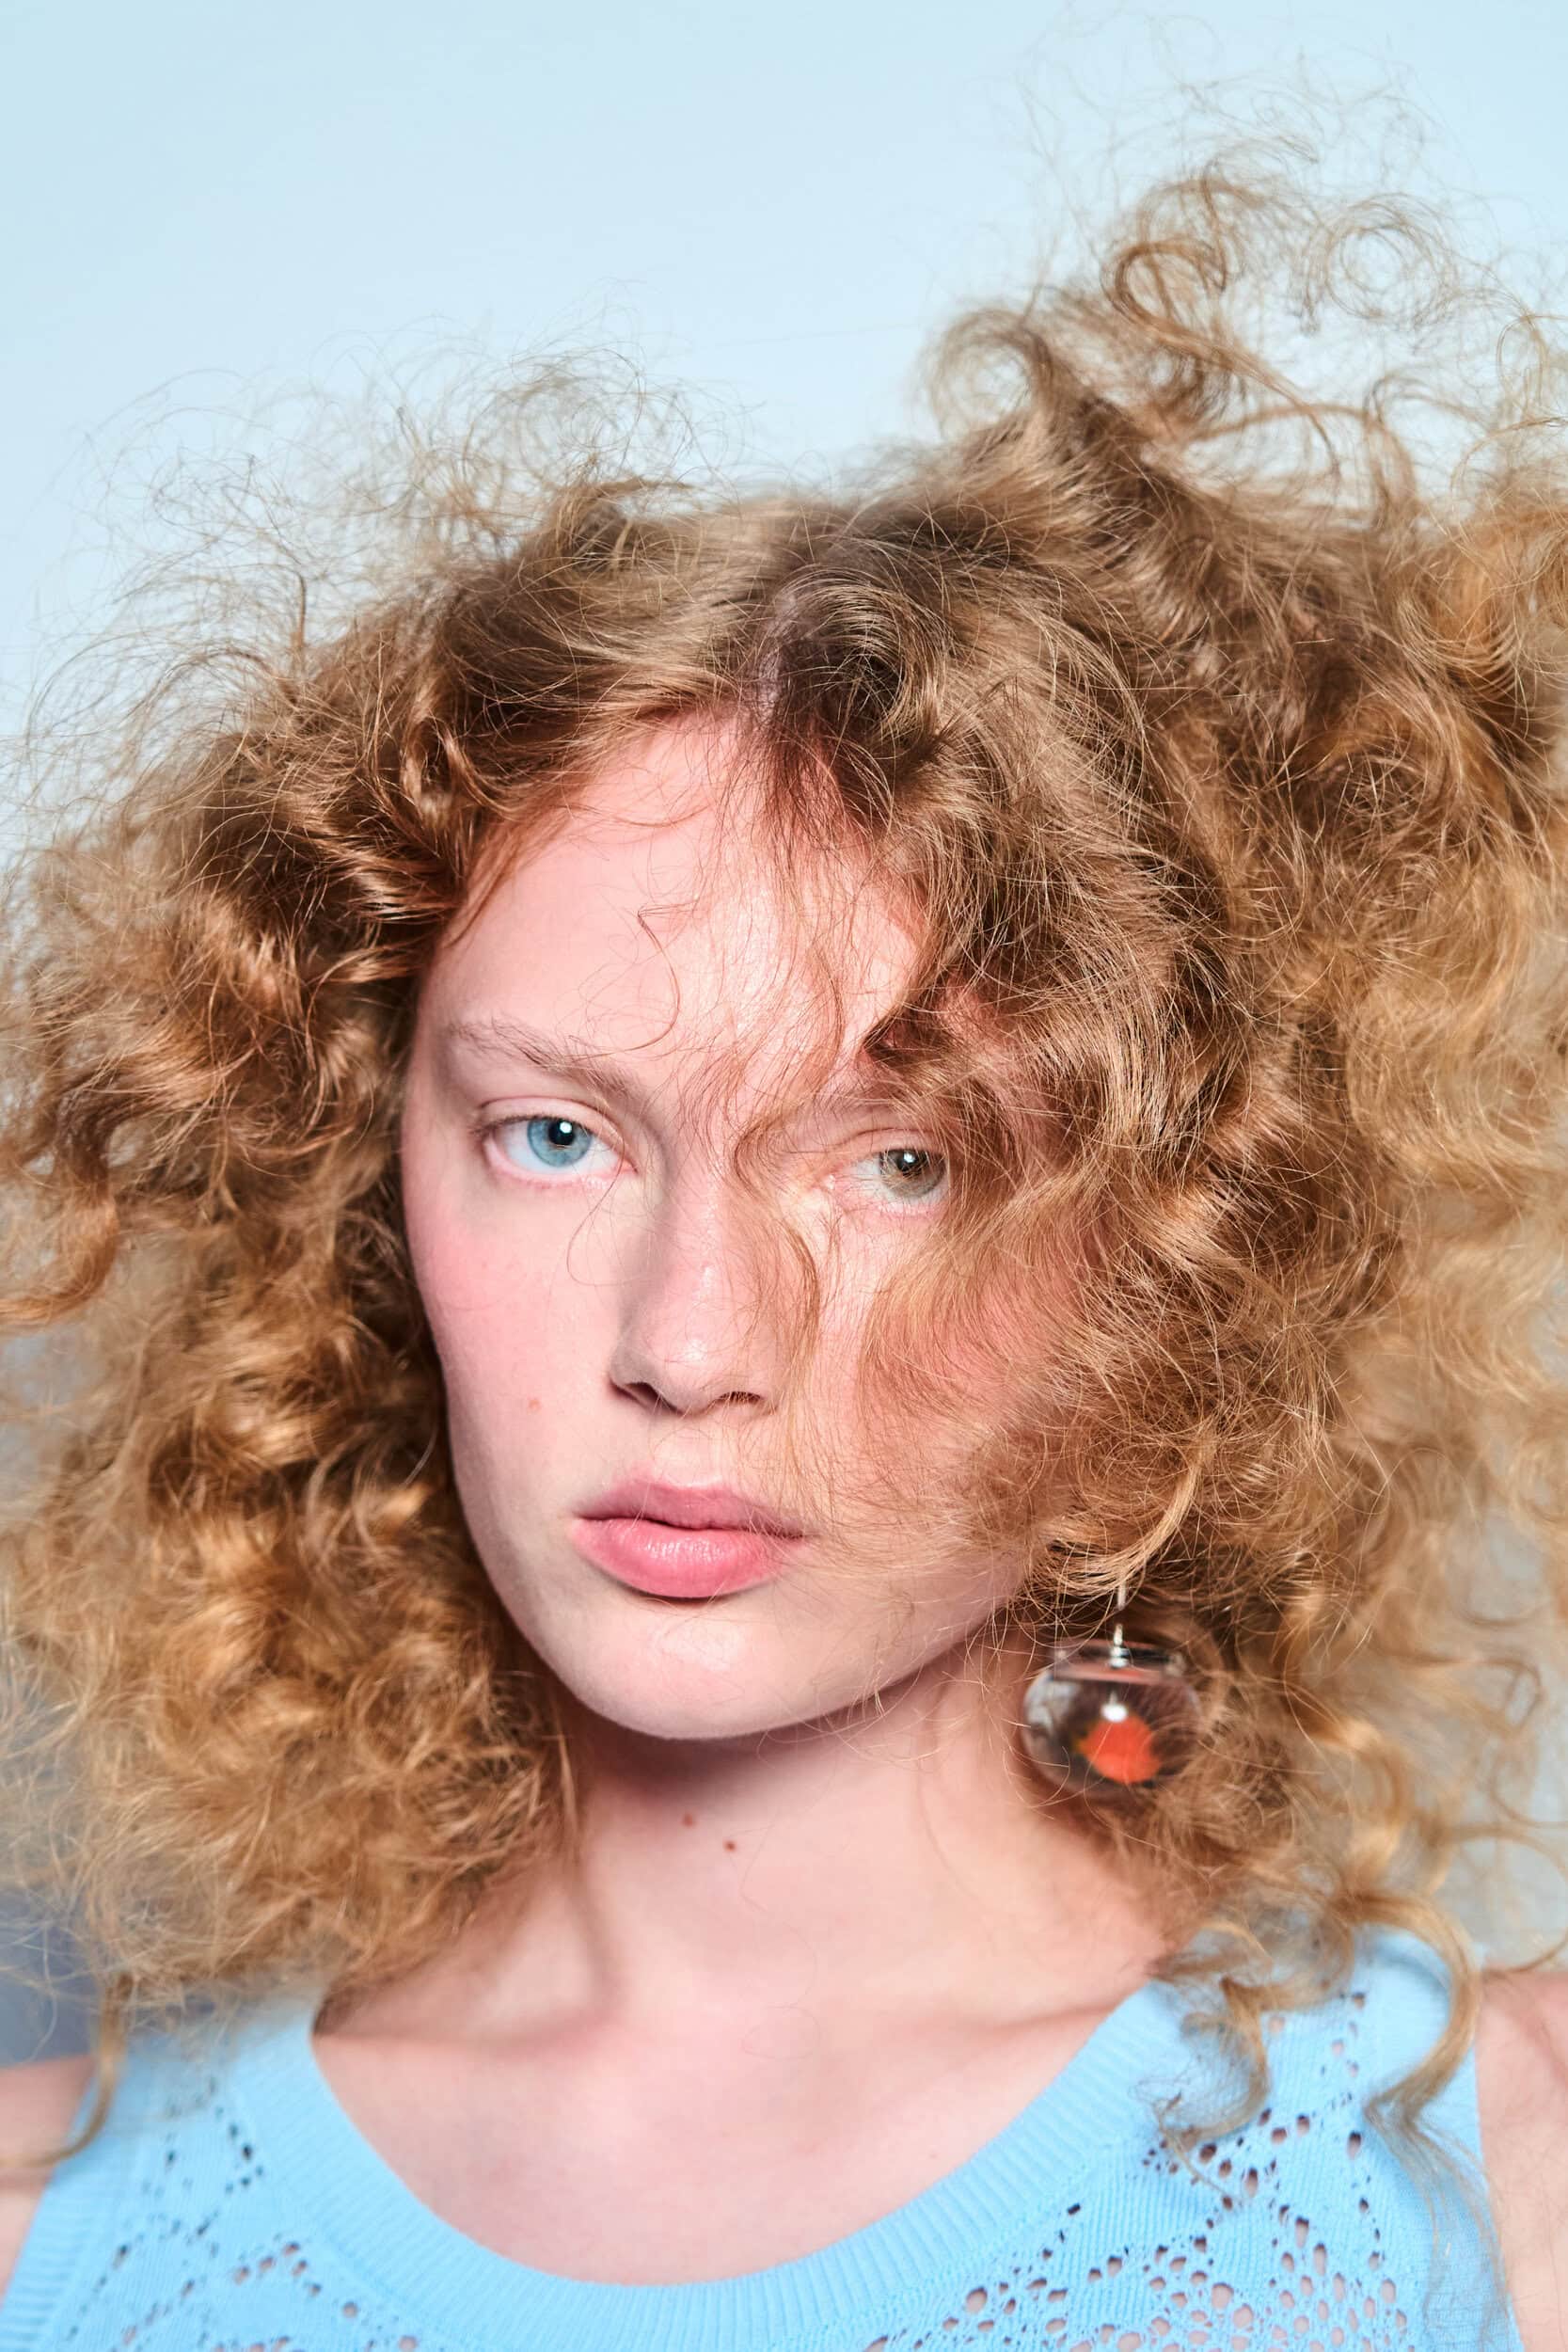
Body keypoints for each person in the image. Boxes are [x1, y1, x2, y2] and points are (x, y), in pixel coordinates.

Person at [1, 137, 1567, 2352]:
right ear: (368, 1174)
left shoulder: (1501, 2176)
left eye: (901, 1163)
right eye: (557, 1135)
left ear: (1173, 1253)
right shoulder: (50, 2241)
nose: (689, 1337)